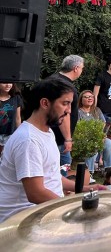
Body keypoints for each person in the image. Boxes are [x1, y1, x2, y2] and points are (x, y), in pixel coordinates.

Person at [0, 79, 79, 222]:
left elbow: (51, 176)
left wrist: (86, 189)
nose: (68, 111)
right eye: (65, 103)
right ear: (45, 103)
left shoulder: (46, 132)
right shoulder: (28, 140)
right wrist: (72, 209)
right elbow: (36, 193)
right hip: (22, 222)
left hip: (42, 213)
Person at [44, 55, 83, 167]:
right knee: (62, 170)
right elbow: (64, 113)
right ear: (76, 68)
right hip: (58, 138)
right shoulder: (65, 86)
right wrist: (68, 139)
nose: (81, 71)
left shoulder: (51, 79)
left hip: (47, 134)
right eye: (82, 68)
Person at [77, 90, 111, 174]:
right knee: (93, 146)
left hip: (98, 137)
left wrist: (101, 136)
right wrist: (93, 138)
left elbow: (103, 123)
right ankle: (89, 172)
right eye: (86, 97)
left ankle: (108, 169)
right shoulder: (78, 112)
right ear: (81, 100)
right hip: (84, 139)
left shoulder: (97, 110)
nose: (90, 98)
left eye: (91, 97)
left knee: (108, 143)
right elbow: (78, 128)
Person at [92, 55, 111, 137]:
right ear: (109, 64)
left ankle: (109, 149)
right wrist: (94, 110)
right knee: (100, 134)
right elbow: (95, 94)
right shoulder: (101, 75)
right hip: (101, 110)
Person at [0, 82, 22, 154]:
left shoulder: (16, 98)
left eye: (10, 82)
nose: (8, 85)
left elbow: (18, 118)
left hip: (10, 134)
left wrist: (19, 134)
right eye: (4, 83)